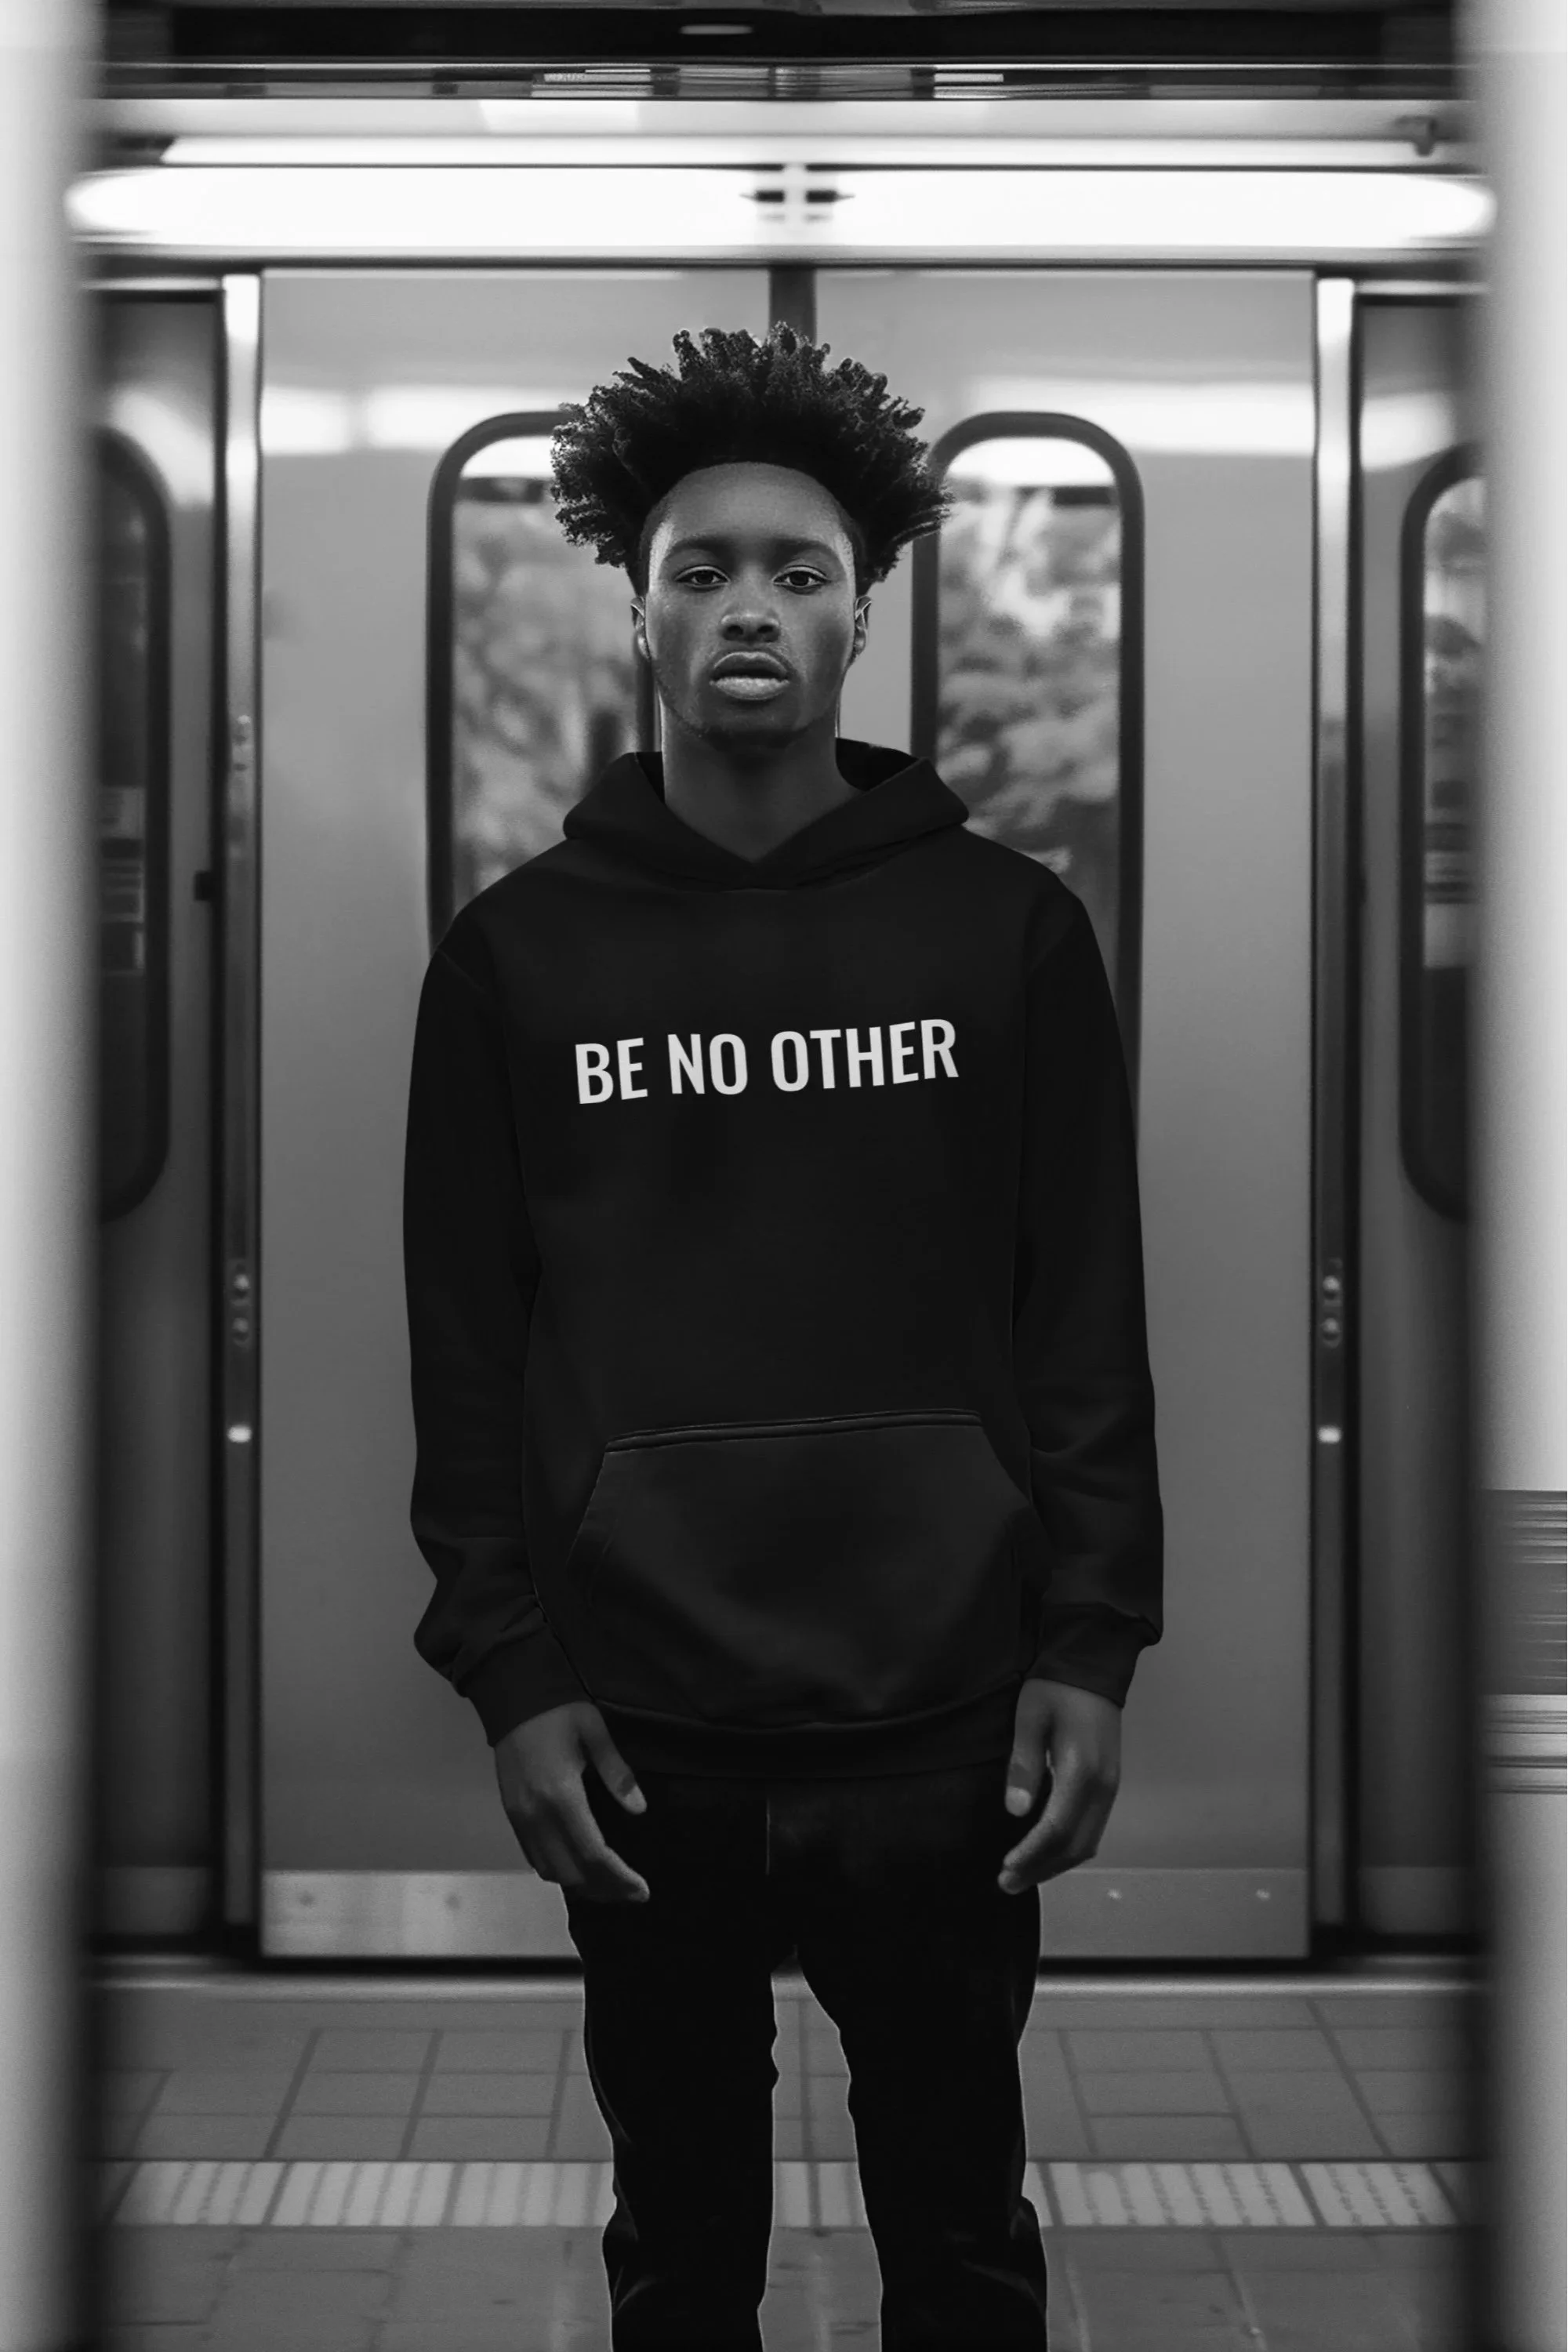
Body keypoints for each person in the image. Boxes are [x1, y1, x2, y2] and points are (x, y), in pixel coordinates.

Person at [402, 322, 1163, 2351]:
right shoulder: (517, 960)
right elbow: (467, 1347)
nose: (752, 603)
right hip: (640, 1728)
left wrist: (1092, 1642)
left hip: (946, 1715)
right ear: (639, 615)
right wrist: (509, 1670)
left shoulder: (1002, 935)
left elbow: (1082, 1310)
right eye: (703, 569)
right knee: (679, 2255)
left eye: (800, 573)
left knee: (963, 2240)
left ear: (861, 616)